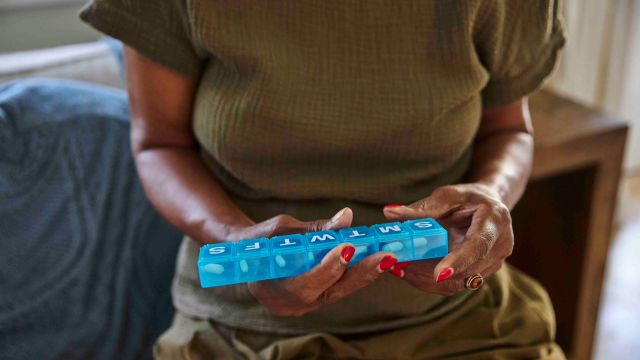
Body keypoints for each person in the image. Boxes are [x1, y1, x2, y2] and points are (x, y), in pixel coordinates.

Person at [80, 1, 566, 358]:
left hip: (458, 324)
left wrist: (491, 194)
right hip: (238, 331)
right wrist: (235, 242)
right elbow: (159, 145)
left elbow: (510, 130)